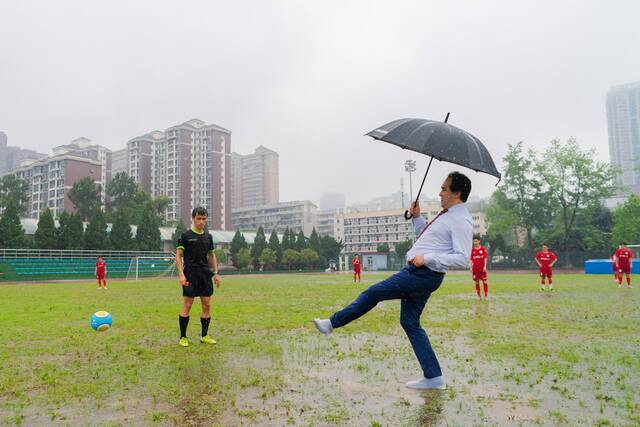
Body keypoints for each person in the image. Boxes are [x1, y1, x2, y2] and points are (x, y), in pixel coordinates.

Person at [313, 172, 474, 390]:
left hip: (422, 274)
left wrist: (427, 258)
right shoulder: (447, 215)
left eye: (444, 189)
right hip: (421, 272)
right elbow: (428, 239)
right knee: (410, 322)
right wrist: (417, 218)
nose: (440, 192)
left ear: (457, 193)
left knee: (373, 293)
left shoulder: (460, 220)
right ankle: (434, 377)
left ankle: (331, 323)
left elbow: (462, 258)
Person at [176, 207, 222, 347]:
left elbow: (211, 255)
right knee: (188, 304)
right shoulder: (185, 235)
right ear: (193, 218)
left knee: (206, 305)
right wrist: (181, 275)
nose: (201, 221)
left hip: (205, 274)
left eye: (204, 219)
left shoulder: (208, 237)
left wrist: (215, 272)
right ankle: (183, 337)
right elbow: (178, 256)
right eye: (199, 219)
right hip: (190, 273)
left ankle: (205, 335)